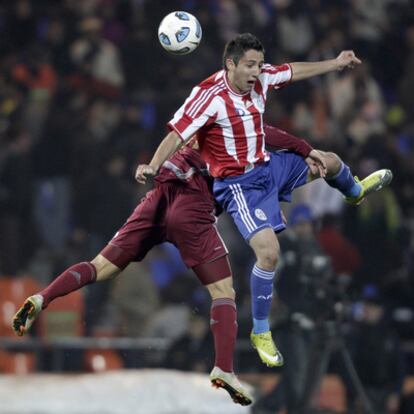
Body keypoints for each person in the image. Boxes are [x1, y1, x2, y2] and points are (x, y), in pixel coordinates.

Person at [135, 32, 393, 367]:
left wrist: (335, 63)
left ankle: (355, 192)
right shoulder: (208, 96)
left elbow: (293, 70)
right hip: (239, 185)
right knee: (269, 254)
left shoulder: (261, 79)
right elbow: (177, 134)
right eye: (251, 65)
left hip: (268, 166)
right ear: (231, 64)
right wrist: (152, 165)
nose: (258, 71)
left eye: (260, 64)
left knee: (328, 160)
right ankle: (260, 330)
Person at [12, 124, 313, 406]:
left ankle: (43, 297)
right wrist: (298, 161)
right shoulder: (232, 147)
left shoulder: (186, 139)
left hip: (156, 202)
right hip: (191, 211)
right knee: (223, 293)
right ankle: (223, 369)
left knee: (98, 267)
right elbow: (262, 148)